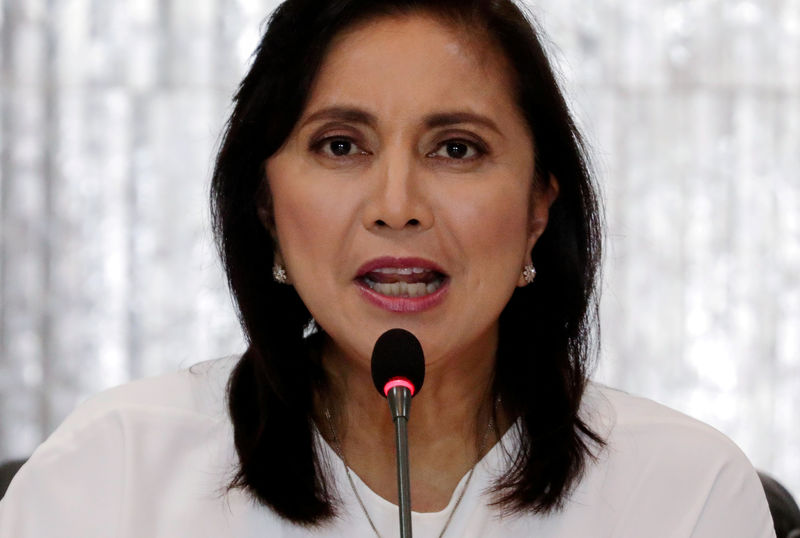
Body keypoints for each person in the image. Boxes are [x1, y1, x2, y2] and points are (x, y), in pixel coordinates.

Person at [0, 0, 777, 536]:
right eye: (341, 146)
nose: (397, 205)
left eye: (457, 149)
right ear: (266, 203)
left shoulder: (685, 493)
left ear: (539, 210)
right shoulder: (115, 471)